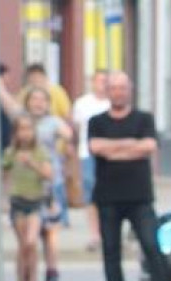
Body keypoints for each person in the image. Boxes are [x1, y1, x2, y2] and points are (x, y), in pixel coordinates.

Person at [88, 71, 171, 281]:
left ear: (130, 90)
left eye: (122, 87)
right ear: (108, 92)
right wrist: (131, 146)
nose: (118, 92)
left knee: (152, 246)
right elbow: (96, 148)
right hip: (108, 196)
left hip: (139, 196)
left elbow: (148, 147)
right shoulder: (96, 122)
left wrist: (114, 148)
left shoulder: (143, 119)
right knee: (111, 251)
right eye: (113, 88)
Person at [23, 86, 73, 281]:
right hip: (27, 185)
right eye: (34, 99)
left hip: (50, 184)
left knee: (50, 235)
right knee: (28, 239)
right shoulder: (22, 122)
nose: (38, 103)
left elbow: (69, 135)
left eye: (42, 100)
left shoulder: (52, 122)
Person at [2, 114, 52, 281]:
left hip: (35, 202)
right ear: (16, 132)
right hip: (17, 202)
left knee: (31, 242)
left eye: (28, 129)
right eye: (21, 129)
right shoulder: (10, 153)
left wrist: (32, 163)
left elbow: (49, 174)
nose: (25, 133)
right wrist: (4, 201)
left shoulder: (39, 152)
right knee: (23, 246)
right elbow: (4, 176)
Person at [72, 69, 110, 251]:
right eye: (99, 81)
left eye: (105, 81)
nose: (102, 84)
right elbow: (77, 129)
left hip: (110, 156)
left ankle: (107, 232)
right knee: (91, 194)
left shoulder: (112, 104)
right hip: (87, 154)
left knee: (109, 195)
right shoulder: (82, 104)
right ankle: (94, 234)